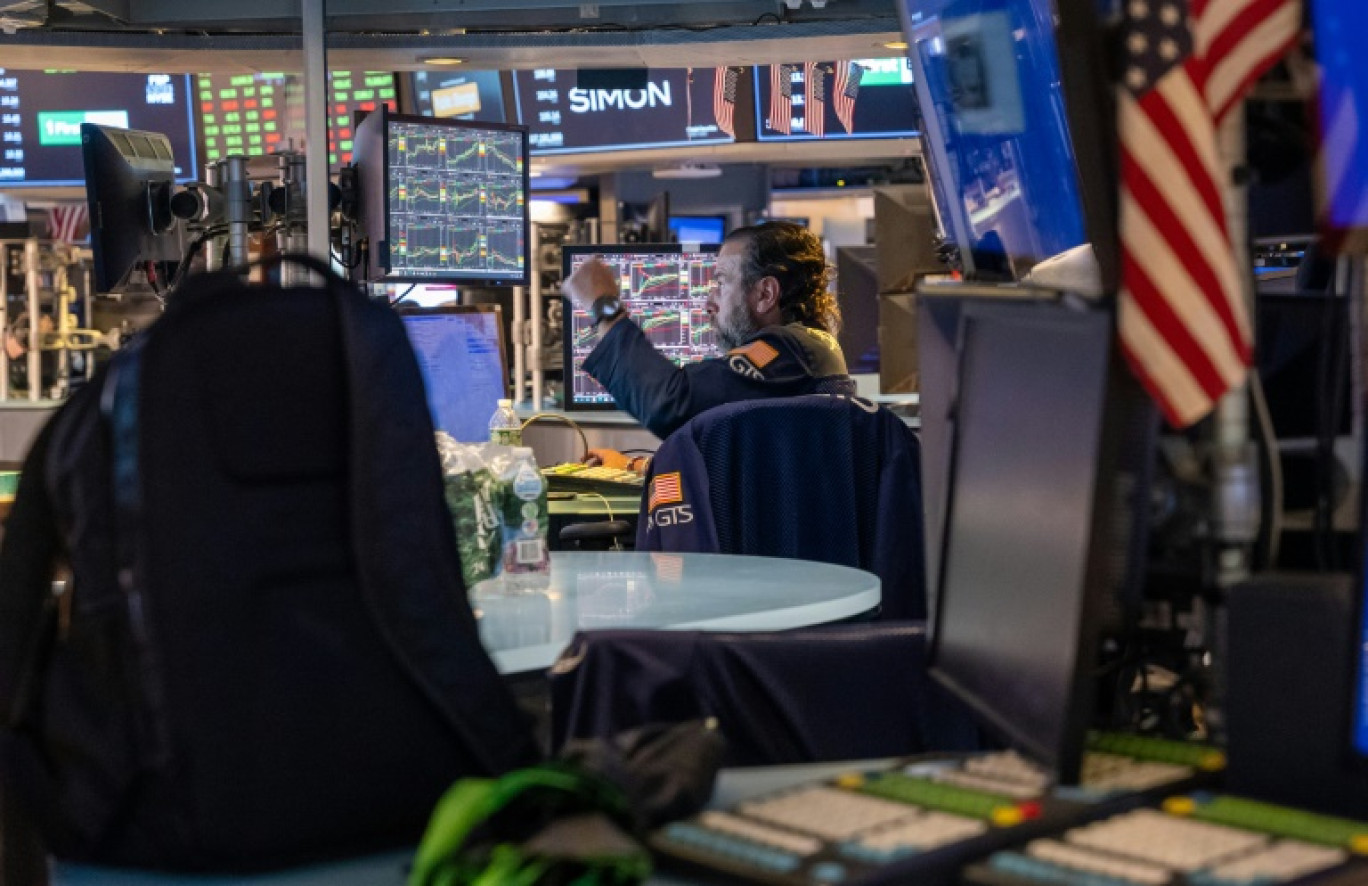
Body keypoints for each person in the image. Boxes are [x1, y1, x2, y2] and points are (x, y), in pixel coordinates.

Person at [562, 221, 855, 439]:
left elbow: (671, 404)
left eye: (721, 282)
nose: (708, 303)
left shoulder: (788, 352)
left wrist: (604, 306)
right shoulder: (809, 349)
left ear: (766, 293)